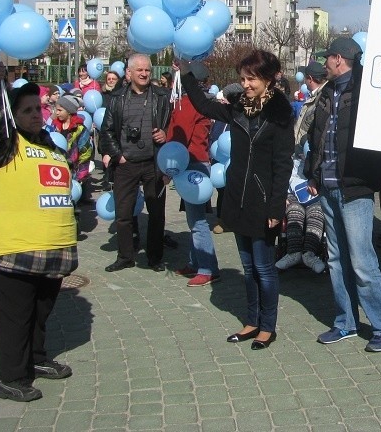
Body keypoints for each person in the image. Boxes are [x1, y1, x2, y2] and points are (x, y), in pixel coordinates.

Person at [179, 51, 293, 350]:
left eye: (251, 79)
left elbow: (283, 165)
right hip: (237, 197)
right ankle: (251, 321)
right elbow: (203, 104)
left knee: (264, 268)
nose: (245, 84)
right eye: (242, 79)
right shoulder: (239, 108)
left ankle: (268, 327)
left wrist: (276, 206)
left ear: (268, 78)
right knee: (248, 266)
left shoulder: (280, 114)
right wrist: (187, 72)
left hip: (264, 200)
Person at [0, 61, 78, 402]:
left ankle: (36, 361)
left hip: (51, 252)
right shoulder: (4, 143)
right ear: (13, 115)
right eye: (27, 110)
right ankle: (10, 378)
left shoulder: (49, 144)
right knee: (14, 319)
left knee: (39, 313)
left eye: (39, 108)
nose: (36, 114)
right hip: (13, 251)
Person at [305, 37, 381, 352]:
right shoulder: (327, 92)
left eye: (326, 58)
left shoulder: (367, 93)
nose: (323, 64)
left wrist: (372, 176)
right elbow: (319, 138)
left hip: (355, 186)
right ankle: (346, 322)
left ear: (340, 59)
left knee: (362, 259)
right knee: (336, 258)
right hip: (328, 187)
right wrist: (312, 173)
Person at [100, 53, 172, 273]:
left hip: (154, 163)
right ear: (129, 73)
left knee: (157, 214)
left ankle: (155, 258)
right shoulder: (117, 98)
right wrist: (118, 156)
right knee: (123, 214)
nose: (144, 74)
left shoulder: (162, 96)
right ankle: (125, 256)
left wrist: (165, 134)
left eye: (147, 70)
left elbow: (174, 124)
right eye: (139, 70)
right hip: (126, 163)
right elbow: (107, 131)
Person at [169, 64, 221, 287]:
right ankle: (194, 260)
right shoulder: (204, 103)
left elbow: (179, 136)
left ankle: (208, 267)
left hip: (191, 164)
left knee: (197, 220)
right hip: (198, 163)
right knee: (194, 217)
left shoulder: (188, 105)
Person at [276, 61, 328, 273]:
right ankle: (293, 253)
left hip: (314, 167)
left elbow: (314, 132)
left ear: (309, 79)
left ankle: (310, 254)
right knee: (295, 210)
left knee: (316, 212)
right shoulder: (311, 98)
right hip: (299, 165)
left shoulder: (321, 99)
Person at [52, 95, 93, 184]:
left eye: (60, 110)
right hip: (56, 171)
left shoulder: (80, 129)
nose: (57, 113)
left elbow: (85, 153)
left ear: (69, 111)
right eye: (56, 110)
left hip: (74, 173)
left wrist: (80, 176)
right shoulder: (54, 127)